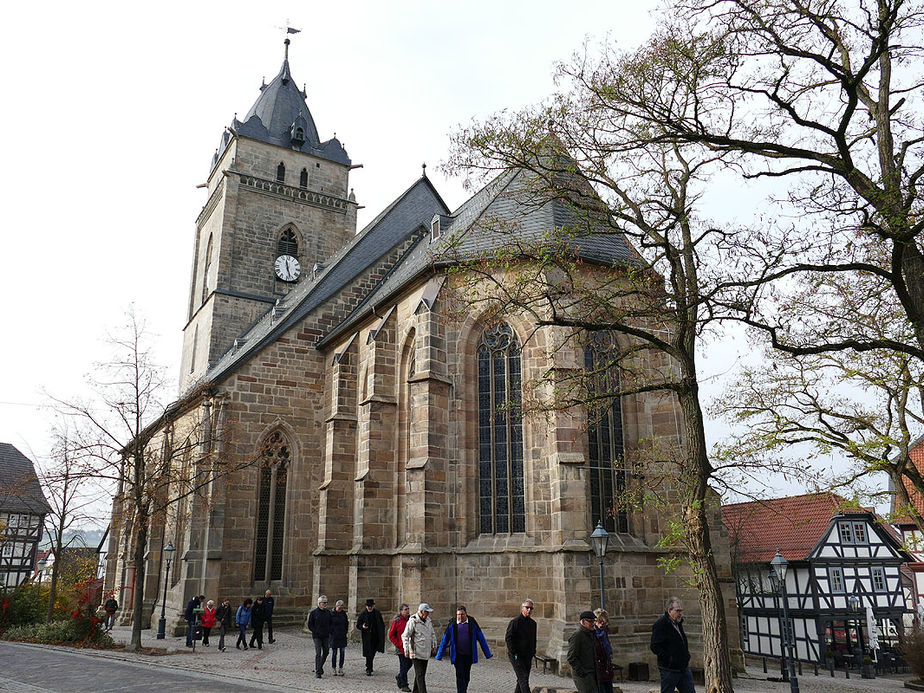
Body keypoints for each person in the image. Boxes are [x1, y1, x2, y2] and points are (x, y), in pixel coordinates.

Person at [436, 605, 492, 693]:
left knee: (466, 676)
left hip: (469, 655)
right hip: (457, 655)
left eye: (462, 614)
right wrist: (439, 655)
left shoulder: (472, 623)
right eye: (458, 615)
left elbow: (481, 638)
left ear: (466, 614)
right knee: (460, 675)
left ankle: (463, 690)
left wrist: (487, 654)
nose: (460, 617)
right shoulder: (452, 624)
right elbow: (445, 639)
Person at [650, 597, 695, 693]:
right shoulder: (661, 625)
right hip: (669, 669)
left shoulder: (678, 623)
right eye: (677, 611)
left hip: (683, 667)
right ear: (669, 611)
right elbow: (654, 646)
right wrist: (669, 658)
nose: (680, 614)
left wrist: (686, 656)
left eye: (681, 611)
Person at [402, 603, 438, 693]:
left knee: (420, 674)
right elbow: (405, 636)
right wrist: (406, 649)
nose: (428, 614)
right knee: (420, 674)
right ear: (422, 612)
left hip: (425, 652)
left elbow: (432, 634)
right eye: (427, 612)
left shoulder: (428, 621)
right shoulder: (413, 621)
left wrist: (434, 645)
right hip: (416, 652)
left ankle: (415, 691)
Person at [505, 599, 537, 693]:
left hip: (527, 656)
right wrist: (513, 652)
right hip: (516, 656)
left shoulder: (533, 624)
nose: (529, 610)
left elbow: (533, 639)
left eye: (531, 608)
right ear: (522, 608)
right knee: (523, 678)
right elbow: (508, 638)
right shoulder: (515, 622)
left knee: (522, 678)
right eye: (527, 608)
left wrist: (533, 651)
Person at [568, 611, 599, 693]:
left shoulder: (591, 634)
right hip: (583, 674)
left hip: (592, 672)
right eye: (590, 621)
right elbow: (571, 657)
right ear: (583, 622)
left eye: (594, 621)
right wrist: (581, 672)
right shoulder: (577, 635)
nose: (593, 623)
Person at [357, 597, 386, 676]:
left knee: (373, 652)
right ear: (366, 606)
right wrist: (362, 627)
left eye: (371, 606)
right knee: (368, 653)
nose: (370, 607)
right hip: (367, 637)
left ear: (373, 606)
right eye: (368, 606)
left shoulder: (377, 613)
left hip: (375, 636)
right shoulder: (363, 614)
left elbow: (381, 624)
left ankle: (370, 666)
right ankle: (368, 668)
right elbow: (358, 624)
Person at [388, 603, 413, 692]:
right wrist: (398, 644)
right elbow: (391, 635)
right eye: (405, 609)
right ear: (401, 611)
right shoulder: (397, 621)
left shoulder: (411, 620)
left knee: (409, 664)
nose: (407, 611)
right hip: (401, 648)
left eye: (408, 609)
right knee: (403, 665)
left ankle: (399, 676)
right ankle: (404, 685)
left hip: (410, 647)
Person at [307, 595, 332, 678]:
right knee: (318, 653)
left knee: (326, 652)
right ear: (319, 603)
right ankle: (318, 671)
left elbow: (331, 623)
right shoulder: (314, 613)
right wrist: (315, 631)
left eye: (326, 603)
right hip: (317, 636)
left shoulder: (328, 613)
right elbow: (310, 624)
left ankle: (320, 666)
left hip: (325, 636)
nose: (325, 604)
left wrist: (329, 631)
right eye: (323, 603)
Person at [593, 609, 616, 693]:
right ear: (595, 621)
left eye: (604, 622)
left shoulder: (605, 633)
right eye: (600, 621)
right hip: (597, 669)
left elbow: (607, 651)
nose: (602, 624)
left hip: (606, 668)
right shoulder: (592, 634)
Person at [330, 599, 349, 676]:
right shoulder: (331, 614)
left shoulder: (343, 614)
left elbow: (346, 624)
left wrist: (345, 632)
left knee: (342, 652)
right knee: (334, 653)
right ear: (336, 606)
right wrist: (331, 633)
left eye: (341, 607)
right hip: (334, 636)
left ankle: (340, 668)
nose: (340, 609)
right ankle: (333, 668)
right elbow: (329, 624)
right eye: (339, 607)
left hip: (342, 636)